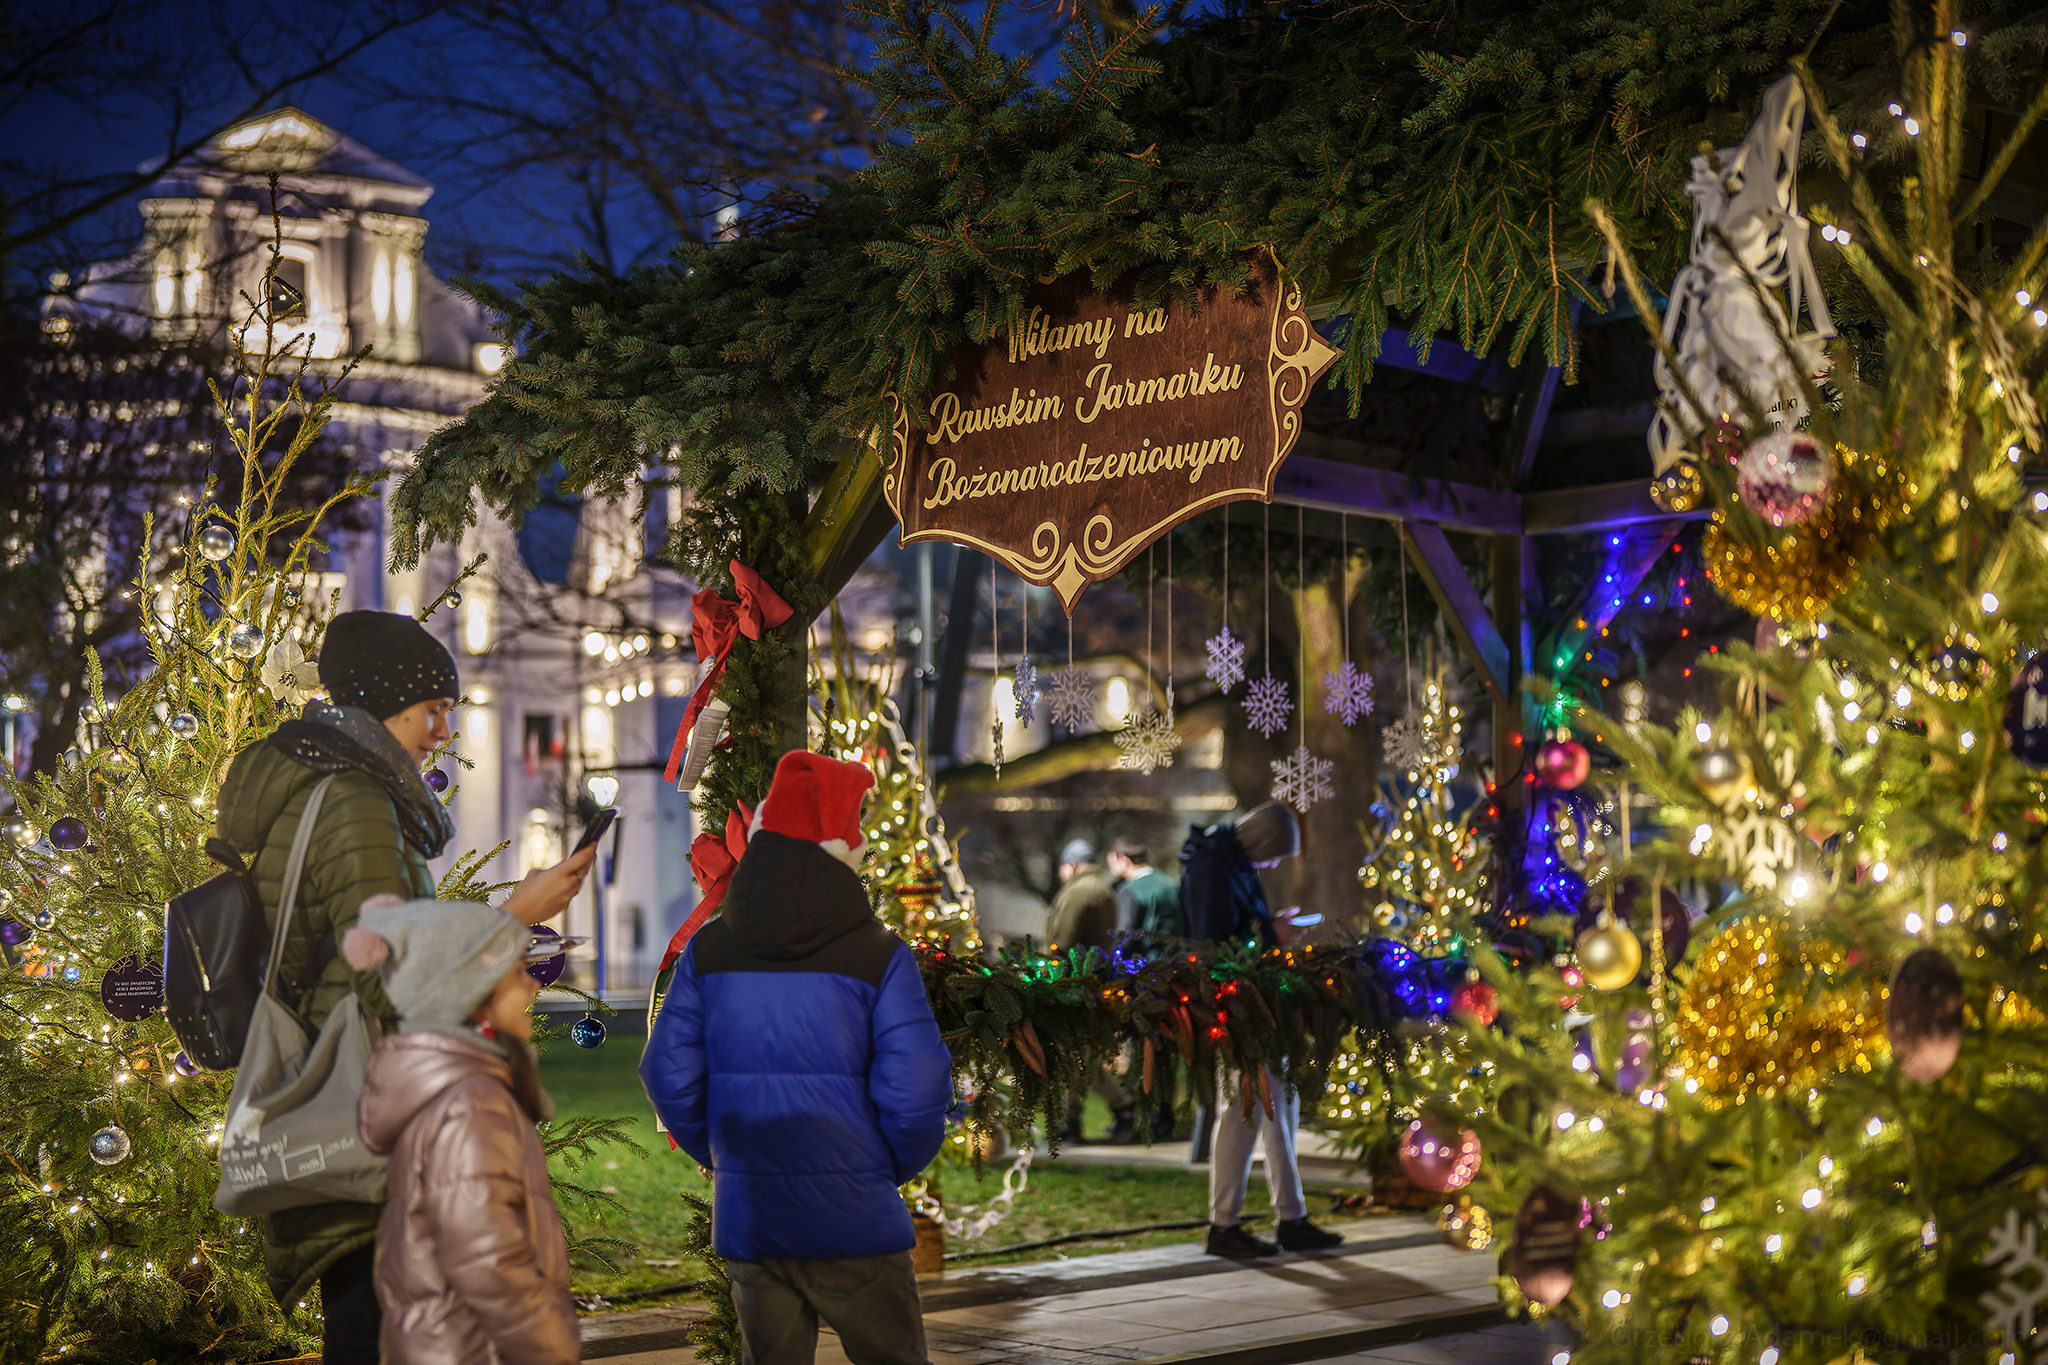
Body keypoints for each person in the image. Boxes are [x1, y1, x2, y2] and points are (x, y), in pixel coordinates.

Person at [213, 609, 593, 1364]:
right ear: (385, 704)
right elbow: (389, 970)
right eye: (432, 710)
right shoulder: (354, 798)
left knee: (372, 1323)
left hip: (354, 1087)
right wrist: (518, 914)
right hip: (366, 1105)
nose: (443, 731)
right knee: (377, 1327)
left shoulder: (331, 785)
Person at [642, 750, 952, 1365]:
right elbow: (918, 1083)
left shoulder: (710, 951)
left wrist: (725, 1154)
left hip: (754, 1219)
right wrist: (880, 1167)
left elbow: (665, 1070)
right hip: (856, 1216)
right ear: (844, 851)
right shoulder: (878, 955)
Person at [350, 895, 578, 1364]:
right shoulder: (471, 1104)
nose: (533, 986)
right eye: (517, 974)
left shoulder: (461, 1089)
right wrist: (553, 1345)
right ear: (472, 993)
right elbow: (487, 1259)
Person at [1179, 802, 1343, 1258]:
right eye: (1273, 854)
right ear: (1261, 841)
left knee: (1278, 1105)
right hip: (1234, 1004)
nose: (1271, 865)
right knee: (1244, 1108)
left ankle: (1290, 1215)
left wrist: (1271, 929)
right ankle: (1225, 1225)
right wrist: (1272, 934)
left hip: (1254, 999)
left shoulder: (1230, 862)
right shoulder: (1213, 868)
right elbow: (1215, 942)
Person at [1043, 838, 1131, 1142]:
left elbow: (1061, 940)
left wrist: (1046, 971)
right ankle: (1073, 1120)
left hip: (1071, 983)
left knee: (1074, 1055)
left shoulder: (1079, 891)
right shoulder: (1103, 888)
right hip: (1092, 981)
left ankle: (1114, 1110)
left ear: (1070, 866)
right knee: (1079, 1056)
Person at [1106, 838, 1180, 1141]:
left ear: (1123, 859)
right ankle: (1166, 1115)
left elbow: (1123, 938)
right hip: (1173, 976)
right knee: (1167, 1050)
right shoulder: (1170, 886)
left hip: (1141, 978)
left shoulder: (1130, 891)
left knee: (1142, 1051)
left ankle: (1144, 1118)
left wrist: (1110, 971)